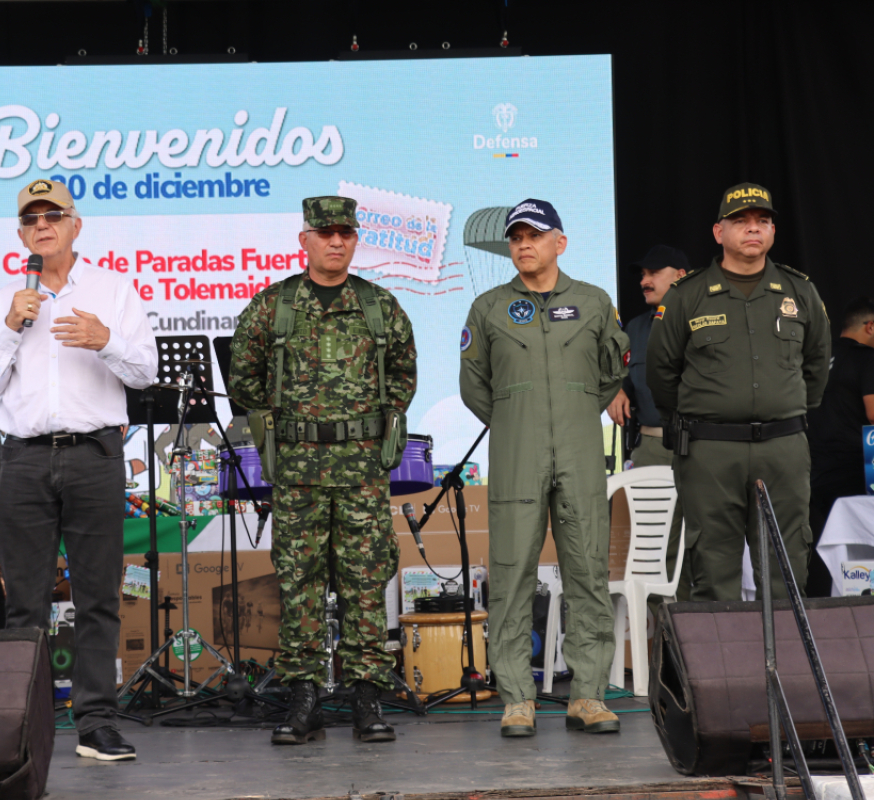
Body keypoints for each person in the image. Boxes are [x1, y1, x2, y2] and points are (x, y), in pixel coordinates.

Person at [0, 179, 156, 762]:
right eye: (32, 218)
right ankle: (24, 723)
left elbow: (145, 371)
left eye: (55, 215)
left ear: (77, 225)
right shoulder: (5, 298)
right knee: (23, 601)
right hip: (23, 460)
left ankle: (97, 721)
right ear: (21, 233)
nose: (43, 225)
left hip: (94, 457)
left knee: (97, 596)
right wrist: (8, 327)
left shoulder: (112, 289)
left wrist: (105, 341)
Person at [229, 196, 416, 745]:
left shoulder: (380, 306)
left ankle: (365, 696)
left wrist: (362, 427)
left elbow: (402, 377)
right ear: (304, 239)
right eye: (325, 232)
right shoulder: (273, 307)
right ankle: (304, 697)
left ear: (356, 240)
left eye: (346, 233)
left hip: (361, 471)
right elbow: (245, 379)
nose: (336, 241)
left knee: (363, 583)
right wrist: (292, 424)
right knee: (300, 581)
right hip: (299, 470)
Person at [460, 199, 629, 738]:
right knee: (511, 576)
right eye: (515, 238)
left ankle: (588, 696)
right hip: (516, 452)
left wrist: (577, 410)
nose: (523, 245)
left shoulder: (595, 302)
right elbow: (473, 385)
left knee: (587, 571)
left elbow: (612, 373)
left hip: (580, 450)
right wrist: (516, 418)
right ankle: (516, 698)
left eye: (534, 235)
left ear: (561, 241)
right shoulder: (488, 308)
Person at [648, 183, 829, 601]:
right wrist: (700, 418)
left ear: (772, 232)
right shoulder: (686, 295)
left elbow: (817, 367)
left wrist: (785, 410)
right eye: (741, 221)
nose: (754, 229)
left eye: (763, 221)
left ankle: (787, 669)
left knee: (786, 575)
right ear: (718, 232)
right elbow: (661, 373)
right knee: (713, 574)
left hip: (783, 448)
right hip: (711, 452)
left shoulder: (800, 291)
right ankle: (722, 670)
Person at [606, 245, 692, 601]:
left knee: (706, 545)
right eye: (641, 274)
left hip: (706, 447)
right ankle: (666, 648)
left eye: (653, 272)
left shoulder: (707, 318)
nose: (645, 280)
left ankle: (703, 639)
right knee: (654, 549)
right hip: (654, 448)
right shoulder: (636, 328)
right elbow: (620, 377)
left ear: (682, 276)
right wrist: (615, 390)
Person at [806, 297, 874, 596]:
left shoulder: (815, 359)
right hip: (854, 471)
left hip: (812, 472)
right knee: (859, 555)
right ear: (870, 327)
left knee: (822, 554)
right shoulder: (867, 359)